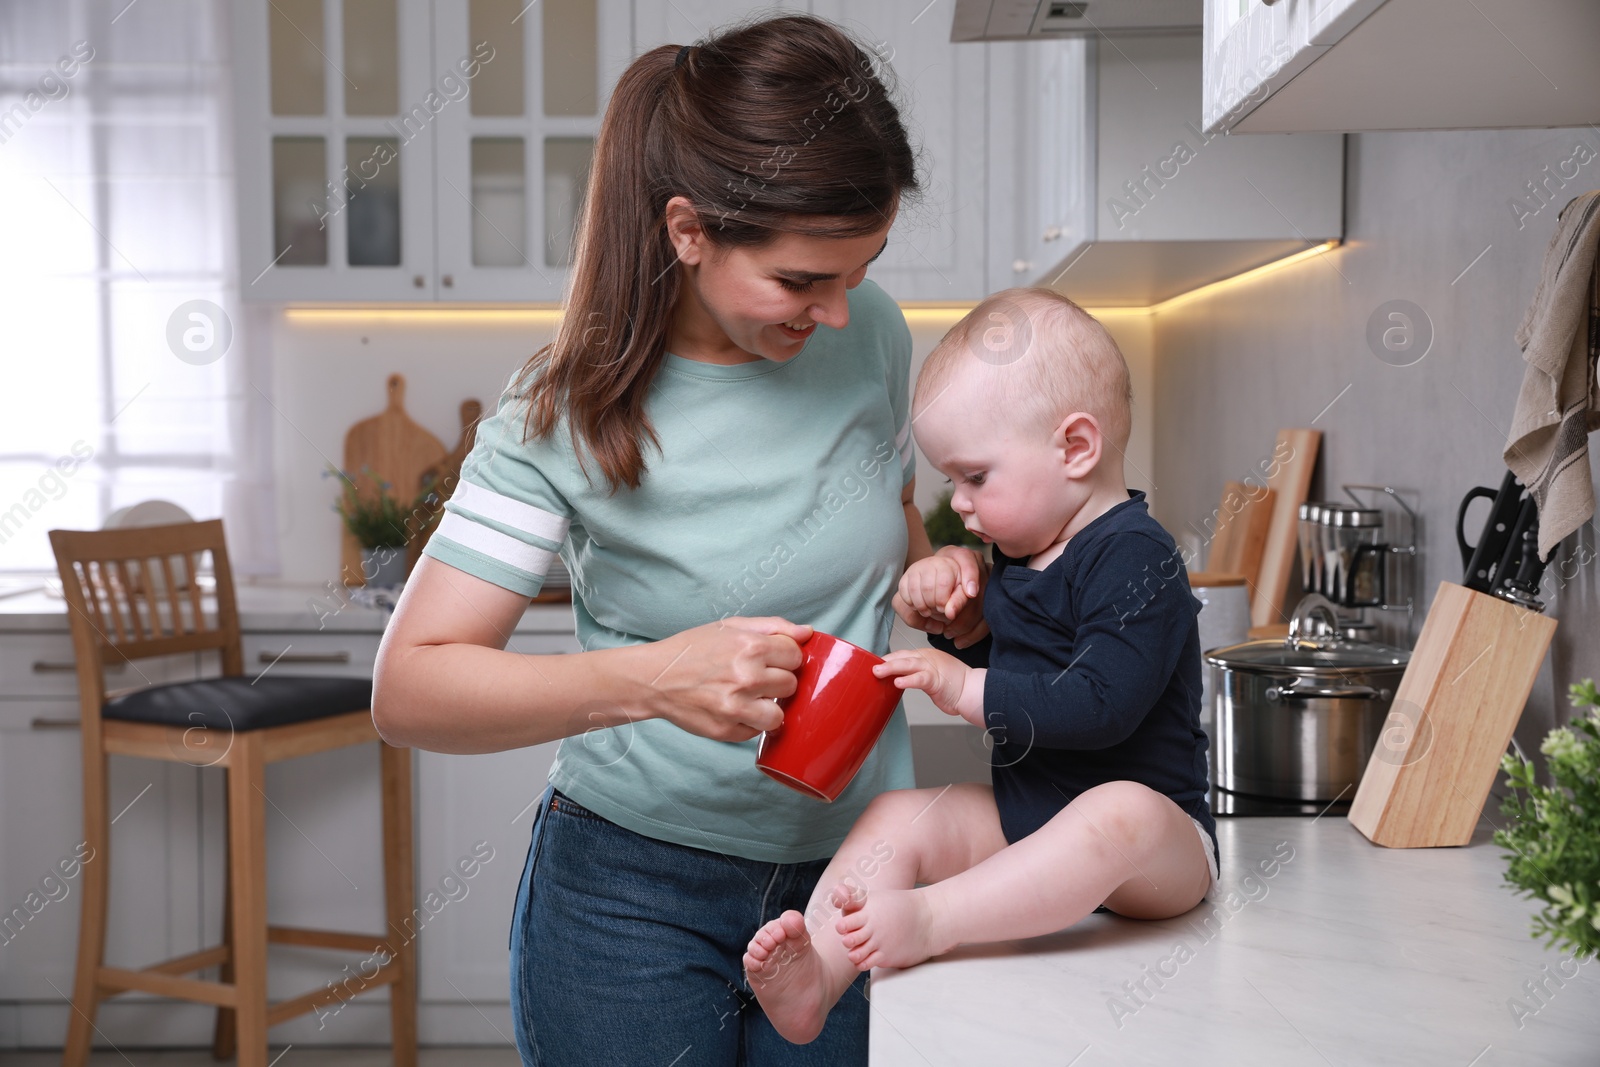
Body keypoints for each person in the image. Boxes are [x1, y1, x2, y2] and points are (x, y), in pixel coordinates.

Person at [371, 14, 989, 1066]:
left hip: (856, 880)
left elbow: (883, 520)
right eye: (800, 282)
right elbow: (412, 687)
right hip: (627, 896)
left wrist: (940, 587)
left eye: (861, 268)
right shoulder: (562, 406)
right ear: (688, 229)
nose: (839, 312)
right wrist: (653, 678)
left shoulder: (873, 333)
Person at [742, 288, 1218, 1045]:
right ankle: (822, 974)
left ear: (1076, 448)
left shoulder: (1138, 556)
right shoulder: (1025, 553)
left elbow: (1099, 704)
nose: (958, 504)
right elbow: (1028, 665)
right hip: (1034, 824)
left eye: (974, 477)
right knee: (903, 815)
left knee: (1117, 808)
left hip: (1156, 853)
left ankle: (933, 920)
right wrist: (964, 626)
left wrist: (965, 687)